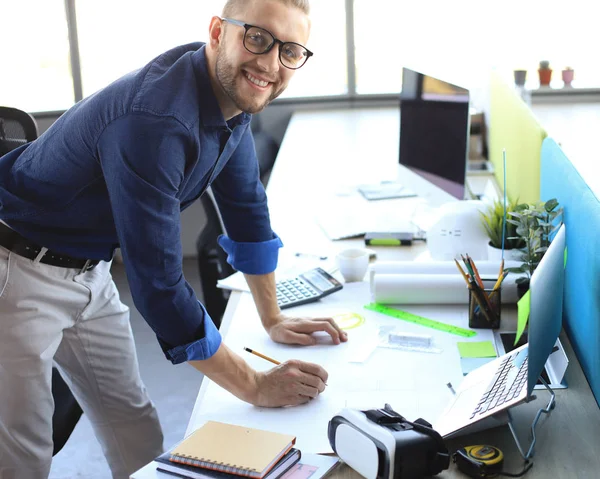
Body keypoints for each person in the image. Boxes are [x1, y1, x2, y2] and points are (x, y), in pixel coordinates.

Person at [0, 0, 348, 477]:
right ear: (217, 31)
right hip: (15, 270)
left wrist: (273, 317)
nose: (269, 63)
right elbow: (160, 287)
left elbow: (246, 206)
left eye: (290, 50)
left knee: (133, 422)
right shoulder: (156, 122)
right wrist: (254, 386)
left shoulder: (232, 93)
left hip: (86, 270)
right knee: (24, 454)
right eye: (258, 38)